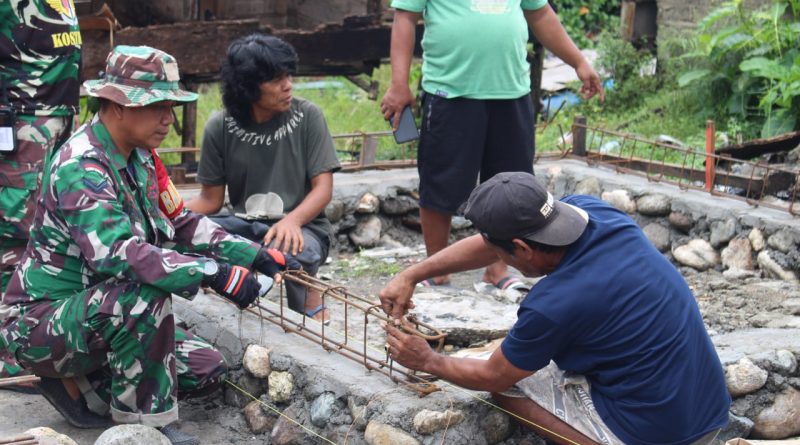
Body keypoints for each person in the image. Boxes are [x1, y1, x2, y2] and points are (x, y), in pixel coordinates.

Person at [0, 45, 295, 445]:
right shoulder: (81, 166)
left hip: (95, 310)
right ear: (117, 106)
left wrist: (252, 254)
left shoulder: (140, 157)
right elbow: (120, 254)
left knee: (204, 368)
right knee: (144, 296)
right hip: (40, 324)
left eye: (171, 106)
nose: (169, 119)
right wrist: (214, 273)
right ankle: (143, 428)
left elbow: (183, 223)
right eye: (157, 106)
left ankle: (80, 386)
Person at [380, 172, 731, 445]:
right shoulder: (594, 213)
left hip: (657, 435)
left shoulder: (553, 303)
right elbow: (493, 244)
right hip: (709, 412)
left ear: (522, 248)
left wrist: (429, 361)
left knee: (506, 385)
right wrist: (414, 273)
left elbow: (494, 376)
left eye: (504, 256)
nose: (499, 259)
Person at [380, 0, 604, 291]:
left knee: (510, 188)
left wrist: (579, 61)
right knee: (441, 183)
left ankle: (498, 270)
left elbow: (541, 14)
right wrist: (399, 83)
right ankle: (435, 269)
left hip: (511, 91)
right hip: (451, 92)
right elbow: (405, 19)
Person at [187, 34, 341, 324]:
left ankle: (308, 306)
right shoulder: (219, 126)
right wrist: (171, 219)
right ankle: (237, 302)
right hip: (244, 225)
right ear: (247, 87)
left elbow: (323, 190)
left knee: (293, 250)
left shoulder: (308, 116)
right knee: (190, 237)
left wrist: (292, 221)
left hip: (303, 226)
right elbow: (211, 200)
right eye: (275, 79)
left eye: (289, 75)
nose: (288, 85)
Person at [0, 0, 82, 383]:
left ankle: (34, 334)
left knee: (48, 222)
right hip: (21, 117)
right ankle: (5, 351)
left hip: (58, 110)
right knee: (13, 228)